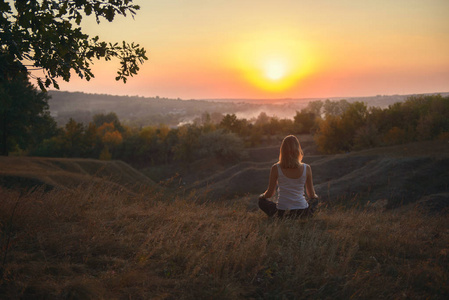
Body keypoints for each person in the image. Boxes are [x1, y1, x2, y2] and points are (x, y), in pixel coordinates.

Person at [258, 135, 318, 218]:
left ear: (282, 150)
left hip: (282, 212)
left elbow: (270, 193)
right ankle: (303, 216)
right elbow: (311, 194)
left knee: (261, 201)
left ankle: (279, 217)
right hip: (302, 212)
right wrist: (315, 197)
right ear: (298, 150)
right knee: (315, 200)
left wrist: (262, 196)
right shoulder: (306, 168)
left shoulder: (275, 168)